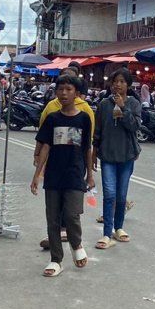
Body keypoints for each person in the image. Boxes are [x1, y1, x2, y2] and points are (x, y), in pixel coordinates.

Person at [31, 75, 94, 276]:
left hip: (75, 173)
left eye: (68, 89)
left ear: (77, 93)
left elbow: (87, 148)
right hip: (53, 175)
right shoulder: (52, 118)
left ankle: (76, 244)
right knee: (53, 219)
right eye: (60, 89)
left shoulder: (84, 118)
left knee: (71, 214)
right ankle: (56, 259)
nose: (64, 93)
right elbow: (46, 146)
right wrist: (36, 174)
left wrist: (90, 175)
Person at [94, 68, 141, 249]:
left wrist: (122, 108)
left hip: (127, 155)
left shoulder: (134, 104)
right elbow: (97, 132)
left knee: (121, 195)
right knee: (109, 194)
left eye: (122, 82)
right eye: (115, 82)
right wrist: (93, 154)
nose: (118, 85)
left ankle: (118, 227)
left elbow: (135, 126)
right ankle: (106, 233)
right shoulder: (104, 104)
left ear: (128, 85)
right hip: (107, 156)